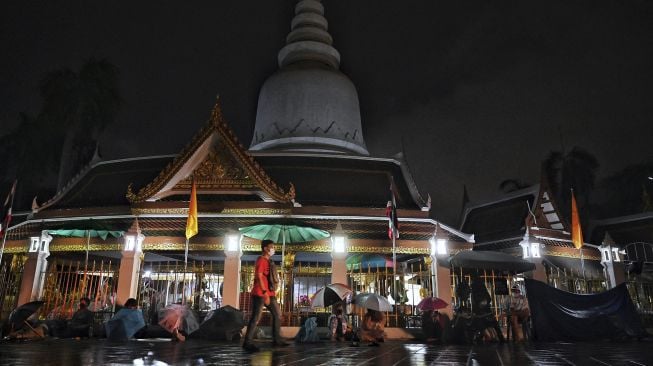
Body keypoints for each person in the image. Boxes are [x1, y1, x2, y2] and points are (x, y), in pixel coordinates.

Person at [242, 239, 288, 352]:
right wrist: (264, 292)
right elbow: (259, 276)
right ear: (265, 248)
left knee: (277, 314)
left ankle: (277, 339)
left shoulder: (269, 261)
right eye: (271, 246)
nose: (273, 248)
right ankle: (247, 342)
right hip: (260, 293)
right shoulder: (261, 260)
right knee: (256, 318)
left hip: (269, 293)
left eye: (273, 246)